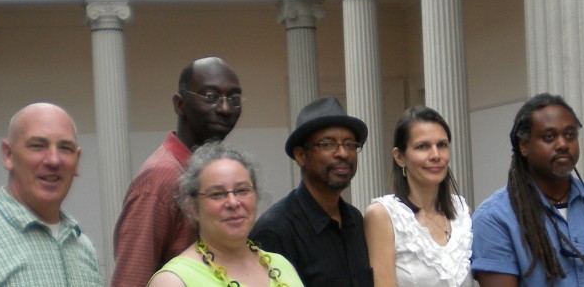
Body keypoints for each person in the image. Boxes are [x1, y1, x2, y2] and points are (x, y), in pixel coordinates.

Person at [112, 57, 244, 286]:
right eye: (210, 97)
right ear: (179, 104)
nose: (225, 109)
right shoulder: (159, 180)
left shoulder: (210, 171)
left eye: (234, 98)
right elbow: (130, 279)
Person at [471, 93, 584, 287]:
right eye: (549, 136)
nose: (563, 144)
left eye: (570, 135)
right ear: (524, 146)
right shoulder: (494, 218)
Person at [250, 96, 373, 286]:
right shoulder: (275, 230)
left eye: (350, 144)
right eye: (327, 144)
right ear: (300, 155)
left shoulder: (354, 219)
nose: (342, 153)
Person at [148, 142, 302, 286]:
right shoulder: (172, 281)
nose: (233, 202)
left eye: (242, 190)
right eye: (217, 194)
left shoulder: (282, 265)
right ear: (192, 208)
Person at [0, 103, 102, 286]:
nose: (54, 160)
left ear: (77, 161)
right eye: (38, 146)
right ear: (8, 155)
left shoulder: (83, 248)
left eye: (65, 148)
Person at [365, 106, 472, 287]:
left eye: (442, 145)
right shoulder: (384, 215)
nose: (435, 155)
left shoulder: (462, 211)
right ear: (400, 157)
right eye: (423, 146)